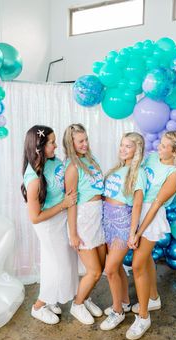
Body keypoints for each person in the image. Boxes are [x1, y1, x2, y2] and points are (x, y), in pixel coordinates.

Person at [126, 131, 176, 340]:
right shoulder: (153, 157)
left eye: (164, 146)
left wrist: (138, 230)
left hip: (151, 218)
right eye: (160, 144)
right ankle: (153, 298)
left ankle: (144, 317)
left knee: (137, 265)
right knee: (145, 262)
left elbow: (155, 205)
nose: (158, 148)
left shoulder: (173, 174)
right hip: (138, 210)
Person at [21, 125, 78, 325]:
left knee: (60, 262)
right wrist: (64, 204)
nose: (56, 146)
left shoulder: (54, 161)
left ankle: (51, 298)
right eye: (52, 142)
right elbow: (35, 217)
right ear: (39, 147)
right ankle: (38, 306)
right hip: (47, 223)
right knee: (58, 266)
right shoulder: (34, 180)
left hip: (61, 217)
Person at [99, 132, 147, 331]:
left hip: (122, 222)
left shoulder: (138, 173)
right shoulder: (116, 169)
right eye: (121, 145)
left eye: (128, 146)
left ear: (137, 150)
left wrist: (133, 233)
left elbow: (136, 206)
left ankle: (117, 312)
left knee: (109, 269)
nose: (123, 149)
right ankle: (125, 302)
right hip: (106, 218)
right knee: (116, 267)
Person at [63, 123, 106, 325]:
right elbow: (71, 204)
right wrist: (73, 233)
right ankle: (77, 304)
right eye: (81, 141)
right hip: (84, 221)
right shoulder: (72, 167)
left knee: (101, 267)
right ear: (71, 144)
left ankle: (85, 297)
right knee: (94, 271)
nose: (85, 144)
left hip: (98, 217)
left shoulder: (91, 159)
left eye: (86, 139)